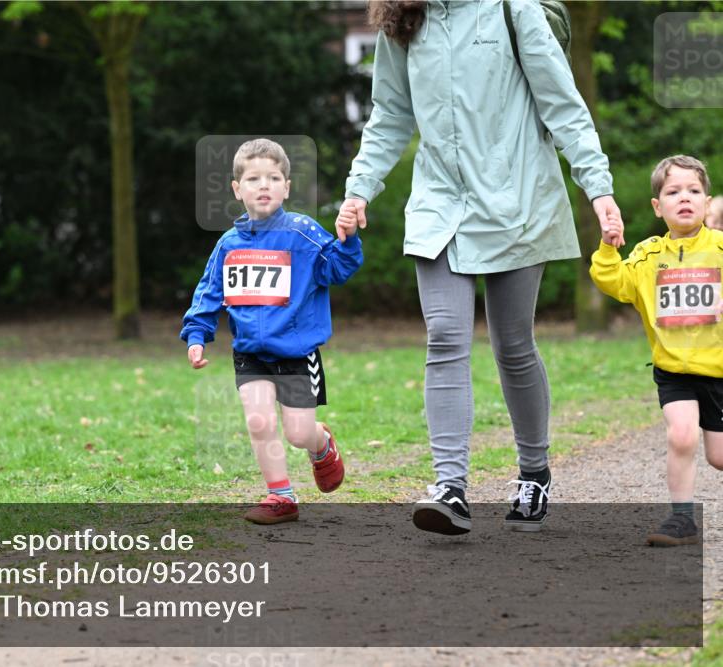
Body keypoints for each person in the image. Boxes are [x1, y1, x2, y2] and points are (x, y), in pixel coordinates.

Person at [337, 0, 624, 535]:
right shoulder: (404, 20)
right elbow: (390, 115)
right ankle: (450, 487)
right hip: (439, 204)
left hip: (517, 198)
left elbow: (562, 103)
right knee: (445, 337)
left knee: (512, 344)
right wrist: (359, 190)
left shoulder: (512, 10)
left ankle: (534, 473)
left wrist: (598, 186)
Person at [181, 138, 363, 524]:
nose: (263, 185)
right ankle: (281, 496)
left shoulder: (302, 232)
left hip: (297, 354)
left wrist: (347, 239)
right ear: (237, 189)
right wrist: (197, 335)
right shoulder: (229, 244)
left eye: (273, 177)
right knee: (260, 422)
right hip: (249, 352)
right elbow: (208, 293)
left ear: (287, 187)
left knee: (298, 433)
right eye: (253, 179)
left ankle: (322, 445)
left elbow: (337, 268)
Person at [590, 155, 723, 547]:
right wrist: (609, 247)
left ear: (707, 200)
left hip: (718, 370)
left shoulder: (720, 248)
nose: (685, 198)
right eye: (673, 191)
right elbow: (613, 280)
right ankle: (682, 519)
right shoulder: (648, 255)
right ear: (657, 206)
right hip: (674, 371)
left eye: (694, 191)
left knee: (718, 456)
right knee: (681, 436)